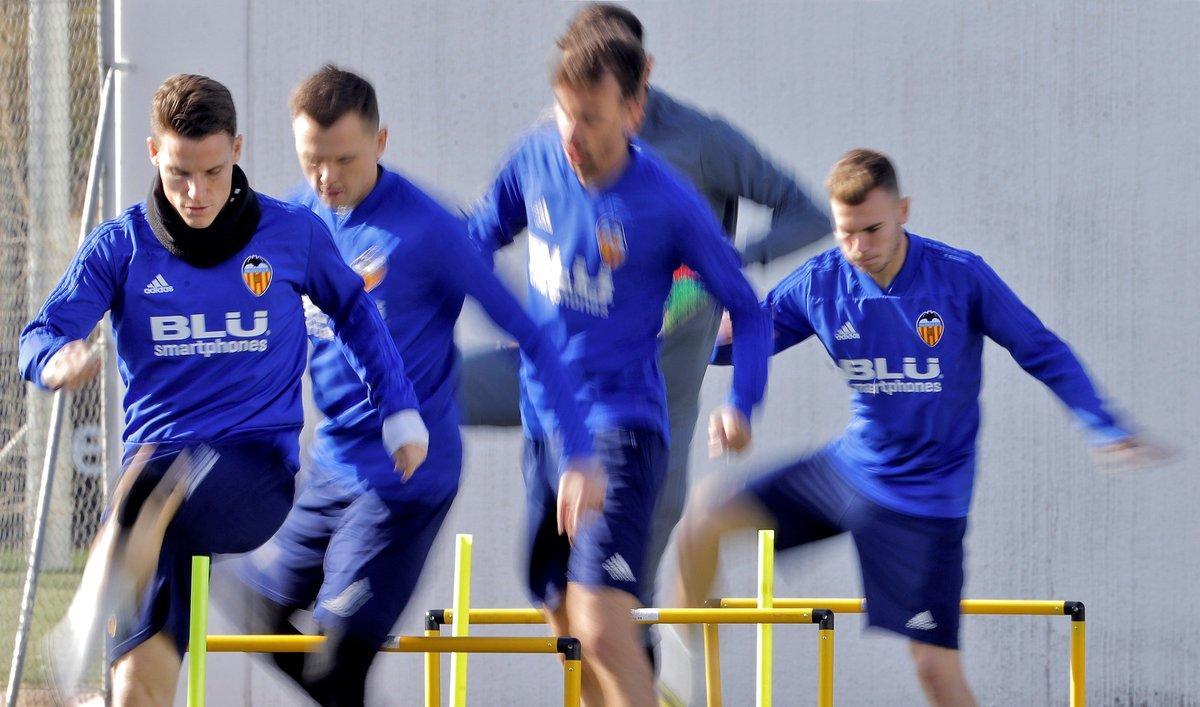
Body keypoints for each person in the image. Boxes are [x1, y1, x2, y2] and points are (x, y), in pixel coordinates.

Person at [673, 149, 1166, 706]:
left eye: (872, 229)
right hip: (850, 470)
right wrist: (686, 335)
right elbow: (747, 339)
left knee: (934, 671)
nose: (859, 247)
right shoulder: (823, 281)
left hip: (925, 501)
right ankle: (676, 679)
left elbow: (1041, 349)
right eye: (845, 232)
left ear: (903, 210)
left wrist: (1100, 424)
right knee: (703, 518)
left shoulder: (959, 277)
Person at [18, 74, 427, 706]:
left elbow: (356, 313)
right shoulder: (121, 247)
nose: (196, 192)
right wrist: (54, 361)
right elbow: (41, 333)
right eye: (180, 172)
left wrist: (398, 409)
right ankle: (105, 638)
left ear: (236, 149)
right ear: (155, 153)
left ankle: (79, 625)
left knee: (160, 475)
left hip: (254, 474)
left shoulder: (291, 235)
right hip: (154, 510)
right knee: (137, 693)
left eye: (212, 171)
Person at [232, 66, 600, 706]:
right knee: (258, 616)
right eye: (313, 160)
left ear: (380, 141)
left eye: (344, 159)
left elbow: (535, 338)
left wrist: (578, 454)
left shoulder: (430, 231)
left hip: (406, 480)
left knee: (339, 662)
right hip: (330, 470)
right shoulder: (292, 224)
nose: (327, 179)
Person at [456, 2, 831, 622]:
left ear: (638, 83)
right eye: (569, 103)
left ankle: (640, 664)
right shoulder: (550, 149)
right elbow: (478, 233)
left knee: (615, 608)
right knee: (560, 598)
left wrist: (722, 270)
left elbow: (805, 214)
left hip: (647, 401)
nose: (579, 132)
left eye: (596, 111)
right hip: (560, 385)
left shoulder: (693, 148)